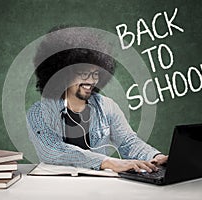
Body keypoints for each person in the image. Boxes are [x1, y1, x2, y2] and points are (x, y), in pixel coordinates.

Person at [27, 27, 168, 173]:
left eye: (95, 73)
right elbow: (51, 151)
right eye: (83, 73)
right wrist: (109, 162)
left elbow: (128, 142)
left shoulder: (107, 106)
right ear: (63, 74)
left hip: (100, 188)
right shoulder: (39, 112)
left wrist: (156, 156)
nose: (92, 80)